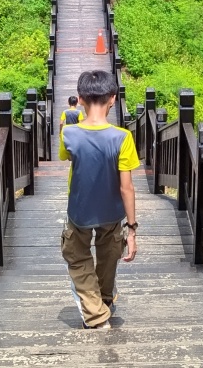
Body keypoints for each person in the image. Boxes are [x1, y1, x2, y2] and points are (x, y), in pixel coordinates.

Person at [58, 70, 140, 330]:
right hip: (112, 212)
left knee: (77, 256)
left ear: (80, 99)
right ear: (113, 99)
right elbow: (127, 188)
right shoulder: (122, 138)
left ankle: (95, 314)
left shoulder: (68, 134)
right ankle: (103, 299)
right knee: (108, 256)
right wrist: (133, 230)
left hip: (79, 212)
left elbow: (70, 159)